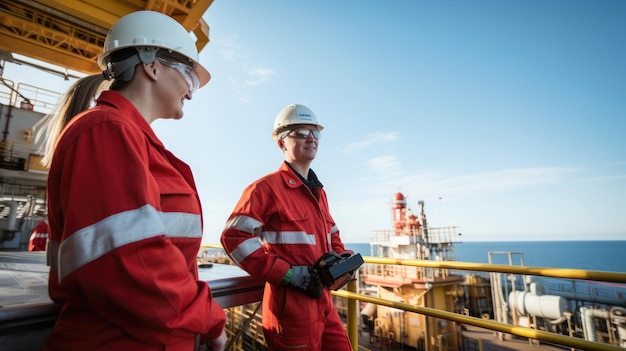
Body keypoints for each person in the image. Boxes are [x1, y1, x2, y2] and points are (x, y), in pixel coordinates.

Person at [34, 11, 226, 351]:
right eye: (188, 76)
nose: (191, 92)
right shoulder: (105, 131)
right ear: (151, 65)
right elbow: (129, 262)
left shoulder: (130, 138)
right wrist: (209, 317)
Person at [220, 104, 356, 350]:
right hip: (291, 307)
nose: (311, 138)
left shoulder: (318, 192)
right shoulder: (265, 189)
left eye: (315, 133)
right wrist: (288, 274)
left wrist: (341, 260)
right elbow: (234, 237)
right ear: (282, 143)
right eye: (302, 133)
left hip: (323, 299)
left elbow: (332, 232)